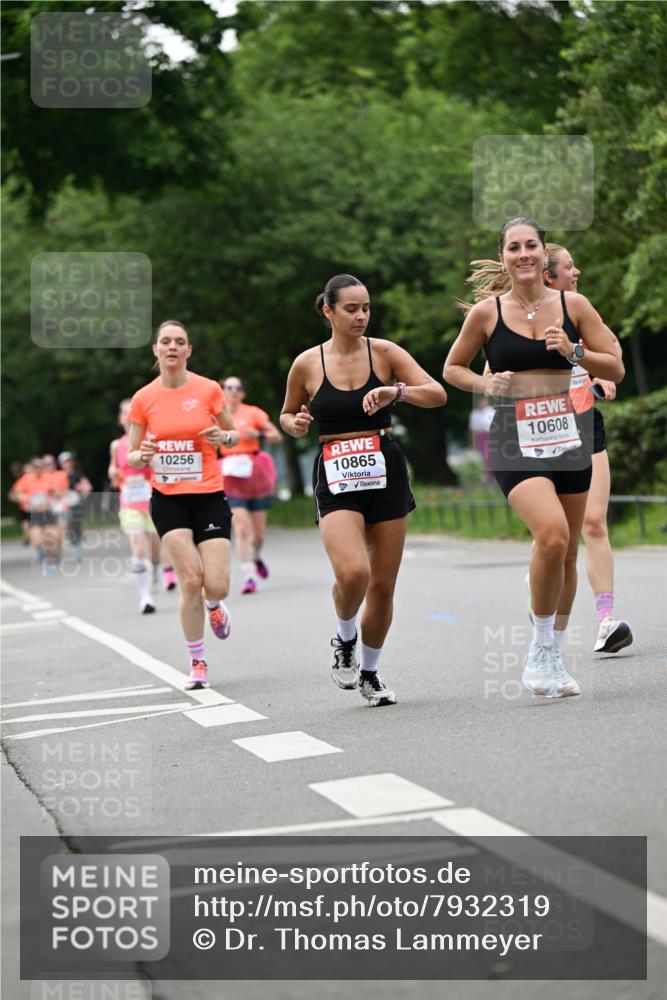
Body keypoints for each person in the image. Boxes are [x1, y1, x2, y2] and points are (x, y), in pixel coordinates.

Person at [444, 218, 624, 699]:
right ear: (503, 257)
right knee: (552, 535)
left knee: (566, 553)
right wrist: (485, 383)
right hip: (514, 434)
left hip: (570, 432)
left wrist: (576, 350)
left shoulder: (574, 305)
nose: (523, 254)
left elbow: (616, 365)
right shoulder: (486, 314)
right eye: (513, 247)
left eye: (531, 246)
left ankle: (550, 651)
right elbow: (452, 368)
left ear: (545, 254)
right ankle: (541, 645)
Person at [281, 274, 446, 707]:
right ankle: (344, 637)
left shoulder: (386, 352)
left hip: (385, 468)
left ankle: (370, 674)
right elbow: (287, 413)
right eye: (351, 309)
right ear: (328, 311)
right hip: (335, 472)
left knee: (384, 586)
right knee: (354, 573)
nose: (361, 316)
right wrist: (295, 423)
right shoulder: (307, 363)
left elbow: (438, 393)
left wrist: (398, 391)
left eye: (366, 308)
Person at [127, 320, 240, 690]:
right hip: (168, 499)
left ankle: (215, 605)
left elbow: (233, 434)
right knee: (191, 579)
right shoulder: (144, 398)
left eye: (179, 342)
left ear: (188, 350)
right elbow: (133, 453)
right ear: (156, 350)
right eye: (165, 342)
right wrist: (141, 454)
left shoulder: (208, 389)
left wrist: (222, 435)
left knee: (217, 585)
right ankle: (198, 661)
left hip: (208, 495)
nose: (172, 347)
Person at [543, 244, 633, 653]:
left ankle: (606, 621)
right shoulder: (513, 318)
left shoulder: (580, 311)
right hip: (540, 436)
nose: (576, 272)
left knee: (594, 523)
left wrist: (599, 373)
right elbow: (493, 375)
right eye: (568, 267)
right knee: (555, 536)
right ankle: (542, 599)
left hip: (584, 426)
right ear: (548, 276)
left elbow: (612, 355)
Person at [218, 377, 283, 594]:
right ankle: (248, 576)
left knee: (258, 534)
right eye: (229, 387)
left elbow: (276, 436)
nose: (234, 391)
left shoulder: (253, 412)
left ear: (243, 393)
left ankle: (255, 557)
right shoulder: (216, 416)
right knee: (242, 528)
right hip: (230, 475)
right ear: (222, 392)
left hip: (255, 472)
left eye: (238, 388)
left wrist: (260, 433)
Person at [109, 402, 162, 614]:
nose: (128, 417)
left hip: (151, 500)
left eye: (132, 412)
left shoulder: (149, 440)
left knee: (155, 548)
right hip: (129, 502)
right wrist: (113, 472)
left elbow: (158, 466)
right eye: (124, 413)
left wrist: (150, 462)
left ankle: (157, 568)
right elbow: (113, 468)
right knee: (138, 546)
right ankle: (145, 597)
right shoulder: (116, 445)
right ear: (120, 419)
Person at [56, 451, 92, 561]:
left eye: (69, 461)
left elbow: (87, 487)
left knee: (76, 525)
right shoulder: (58, 476)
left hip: (76, 503)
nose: (68, 464)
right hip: (63, 504)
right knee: (65, 525)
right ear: (61, 463)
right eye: (65, 462)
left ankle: (76, 545)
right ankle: (64, 548)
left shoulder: (77, 475)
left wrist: (84, 491)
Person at [468, 396, 495, 482]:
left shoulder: (491, 410)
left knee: (492, 455)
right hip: (481, 437)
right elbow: (473, 430)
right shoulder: (474, 413)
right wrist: (473, 443)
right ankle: (488, 475)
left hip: (491, 435)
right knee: (485, 455)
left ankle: (492, 474)